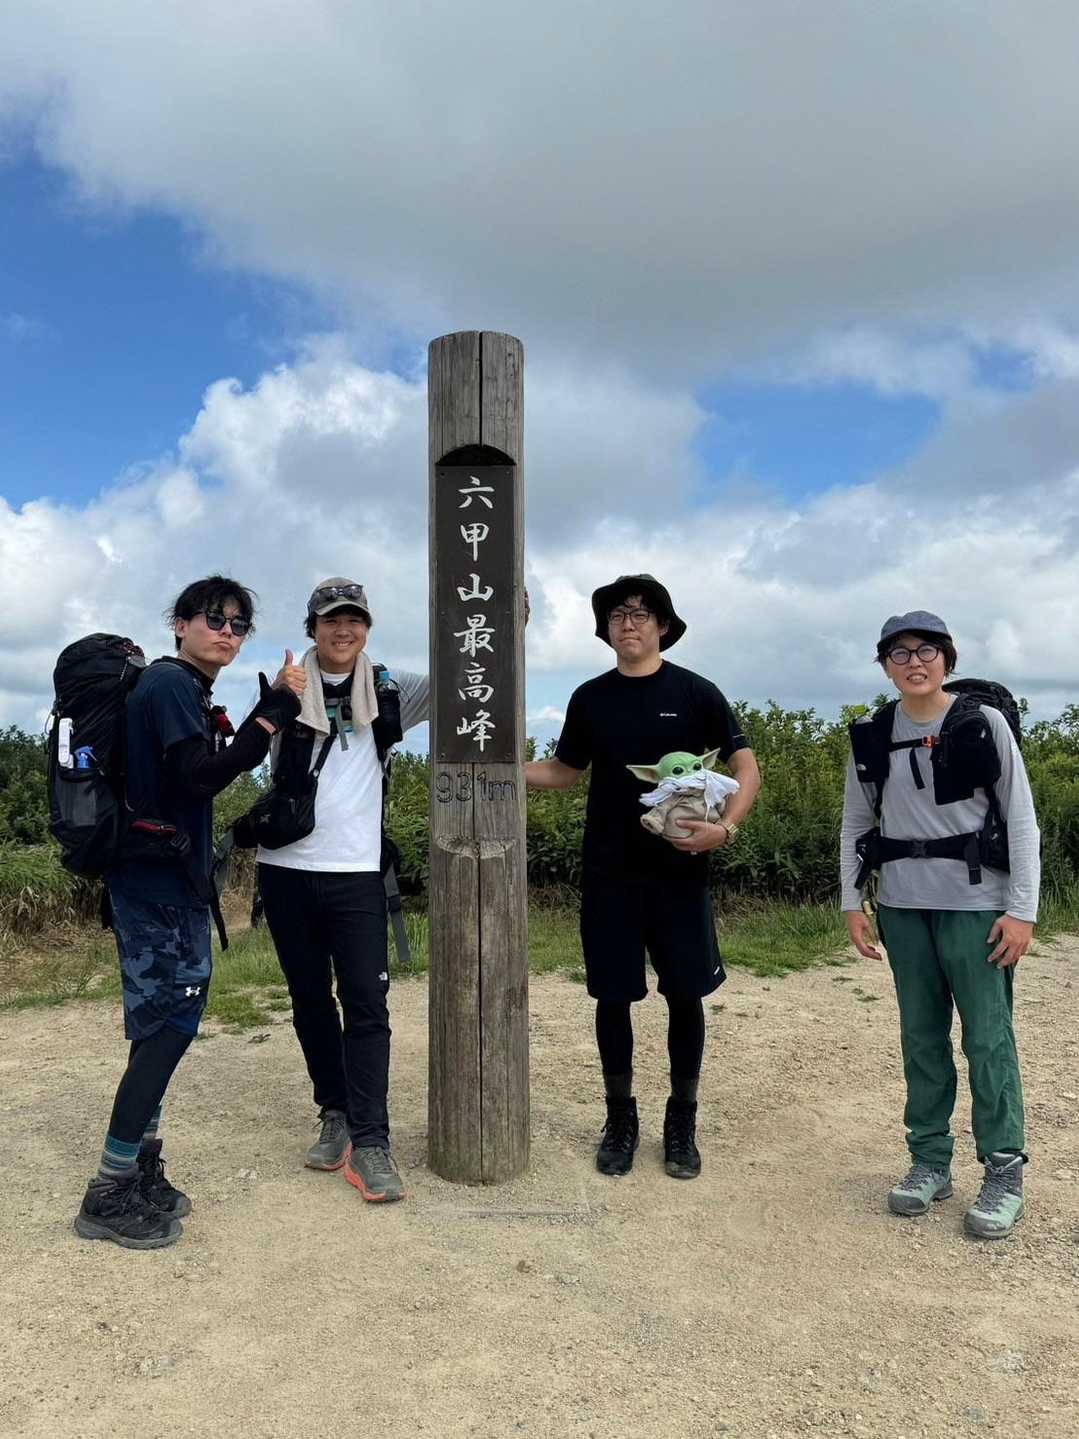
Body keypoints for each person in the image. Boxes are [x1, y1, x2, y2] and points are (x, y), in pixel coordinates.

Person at [75, 576, 305, 1249]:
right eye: (213, 618)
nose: (227, 631)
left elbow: (193, 773)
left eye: (239, 624)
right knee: (170, 1027)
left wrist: (264, 713)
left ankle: (140, 1166)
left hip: (163, 881)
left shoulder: (182, 689)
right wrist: (272, 713)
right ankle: (109, 1188)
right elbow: (200, 776)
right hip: (156, 885)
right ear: (180, 623)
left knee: (159, 1026)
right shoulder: (171, 684)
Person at [524, 575, 760, 1180]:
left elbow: (745, 765)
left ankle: (682, 1120)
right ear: (605, 630)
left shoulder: (696, 692)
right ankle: (620, 1119)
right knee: (612, 997)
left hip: (681, 872)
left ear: (663, 626)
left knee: (685, 994)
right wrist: (498, 767)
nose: (628, 623)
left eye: (641, 613)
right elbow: (565, 770)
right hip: (609, 872)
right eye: (617, 615)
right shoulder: (589, 698)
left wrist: (726, 828)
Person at [841, 611, 1039, 1239]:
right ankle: (930, 1161)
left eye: (927, 650)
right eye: (899, 653)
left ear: (947, 660)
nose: (914, 662)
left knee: (987, 1039)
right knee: (922, 1037)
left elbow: (1022, 818)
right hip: (903, 907)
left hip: (978, 905)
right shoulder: (872, 734)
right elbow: (856, 823)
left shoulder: (983, 724)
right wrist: (852, 901)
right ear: (885, 667)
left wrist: (1022, 911)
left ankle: (1003, 1170)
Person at [254, 578, 428, 1203]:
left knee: (367, 1004)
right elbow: (246, 749)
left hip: (356, 871)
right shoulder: (284, 685)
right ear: (313, 627)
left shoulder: (392, 687)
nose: (343, 629)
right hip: (285, 868)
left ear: (367, 628)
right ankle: (335, 1112)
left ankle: (372, 1140)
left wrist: (505, 621)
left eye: (354, 619)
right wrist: (275, 700)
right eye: (331, 620)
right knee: (309, 1000)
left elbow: (468, 676)